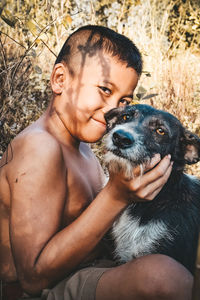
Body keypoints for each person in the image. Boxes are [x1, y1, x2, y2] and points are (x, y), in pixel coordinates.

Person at [0, 25, 193, 300]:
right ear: (59, 80)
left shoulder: (84, 150)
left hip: (83, 270)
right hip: (38, 291)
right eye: (104, 90)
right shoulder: (40, 147)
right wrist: (116, 195)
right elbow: (32, 278)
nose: (114, 110)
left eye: (124, 100)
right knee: (162, 276)